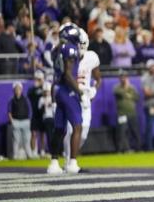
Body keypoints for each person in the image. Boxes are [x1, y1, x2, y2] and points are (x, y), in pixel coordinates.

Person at [47, 23, 83, 174]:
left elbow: (58, 74)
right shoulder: (70, 48)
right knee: (77, 126)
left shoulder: (57, 49)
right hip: (68, 90)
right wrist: (79, 92)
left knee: (59, 128)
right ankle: (72, 163)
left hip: (58, 89)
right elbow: (68, 74)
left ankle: (54, 163)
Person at [63, 28, 101, 166]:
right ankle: (70, 161)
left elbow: (98, 79)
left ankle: (70, 157)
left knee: (83, 134)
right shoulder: (69, 56)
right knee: (71, 131)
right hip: (72, 96)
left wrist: (94, 90)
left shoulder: (92, 57)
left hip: (85, 98)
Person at [113, 71, 141, 152]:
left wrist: (129, 92)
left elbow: (137, 97)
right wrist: (127, 90)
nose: (123, 79)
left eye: (124, 77)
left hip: (132, 113)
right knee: (121, 132)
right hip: (122, 114)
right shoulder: (117, 87)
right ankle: (120, 149)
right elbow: (119, 93)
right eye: (121, 77)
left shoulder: (132, 87)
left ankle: (138, 148)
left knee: (135, 131)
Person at [8, 82, 33, 160]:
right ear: (14, 90)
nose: (18, 90)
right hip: (16, 122)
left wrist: (29, 119)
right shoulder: (11, 100)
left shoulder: (26, 99)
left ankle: (29, 155)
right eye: (16, 89)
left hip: (25, 121)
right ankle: (15, 156)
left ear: (21, 90)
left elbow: (30, 109)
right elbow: (9, 111)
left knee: (27, 140)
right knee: (16, 140)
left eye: (19, 89)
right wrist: (12, 121)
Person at [27, 70, 46, 157]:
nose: (37, 80)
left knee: (42, 134)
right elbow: (29, 95)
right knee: (34, 134)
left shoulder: (45, 88)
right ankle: (33, 152)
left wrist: (42, 85)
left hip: (43, 114)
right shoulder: (32, 89)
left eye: (39, 79)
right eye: (36, 79)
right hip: (35, 115)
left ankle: (42, 151)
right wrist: (36, 87)